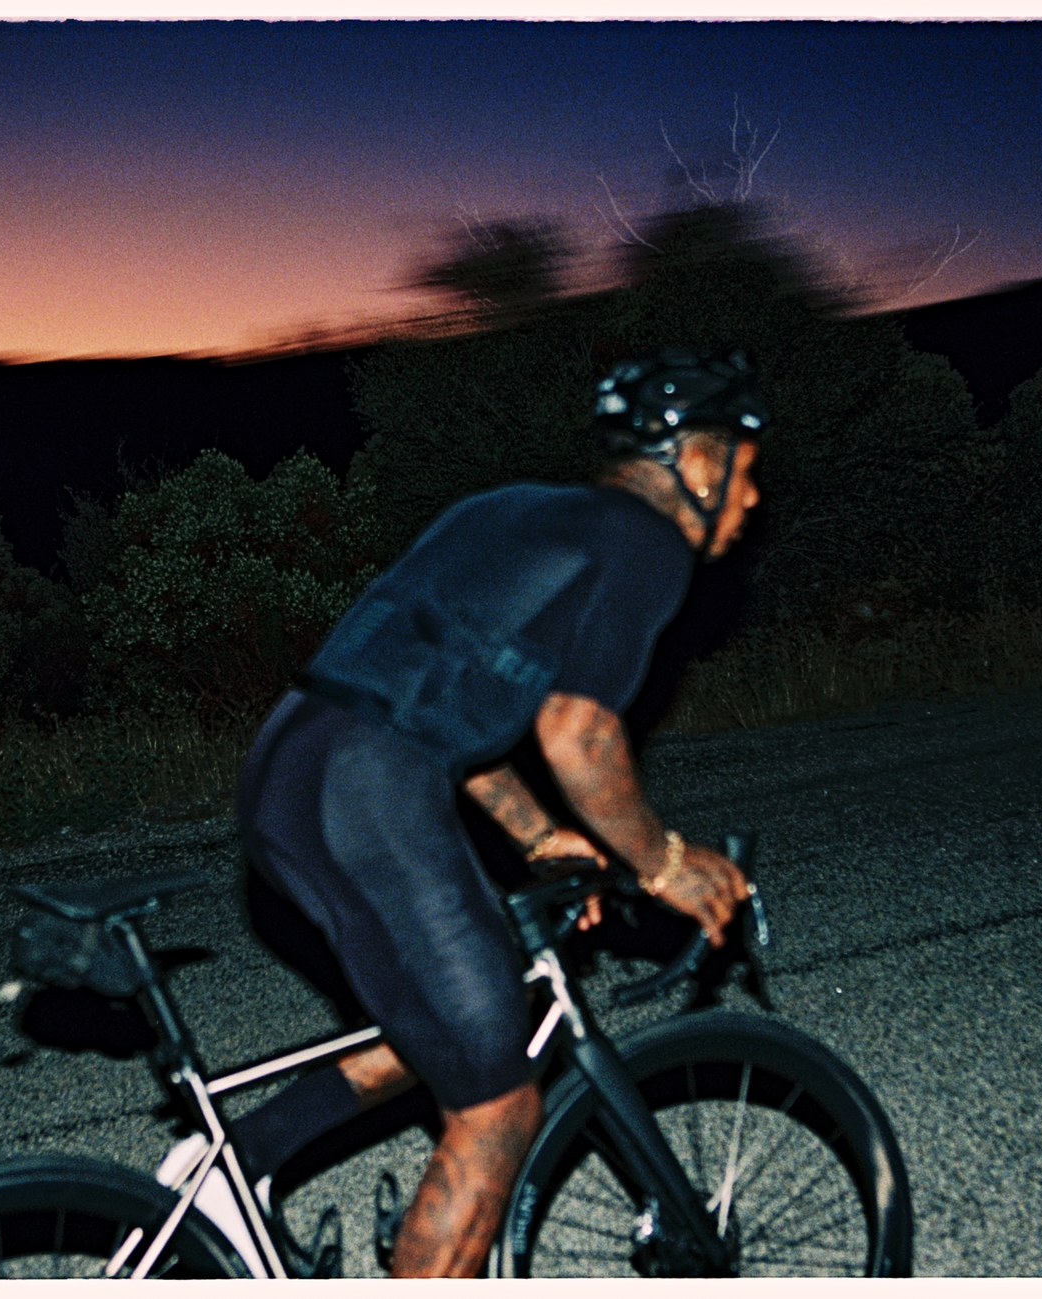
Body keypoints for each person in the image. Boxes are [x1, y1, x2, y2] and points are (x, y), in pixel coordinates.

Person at [164, 346, 768, 1277]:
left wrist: (540, 834)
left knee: (467, 1016)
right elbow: (578, 732)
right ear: (696, 460)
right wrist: (665, 862)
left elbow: (447, 702)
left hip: (290, 763)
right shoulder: (646, 541)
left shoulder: (506, 510)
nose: (753, 498)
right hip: (372, 786)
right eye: (747, 470)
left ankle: (230, 1168)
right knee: (500, 1105)